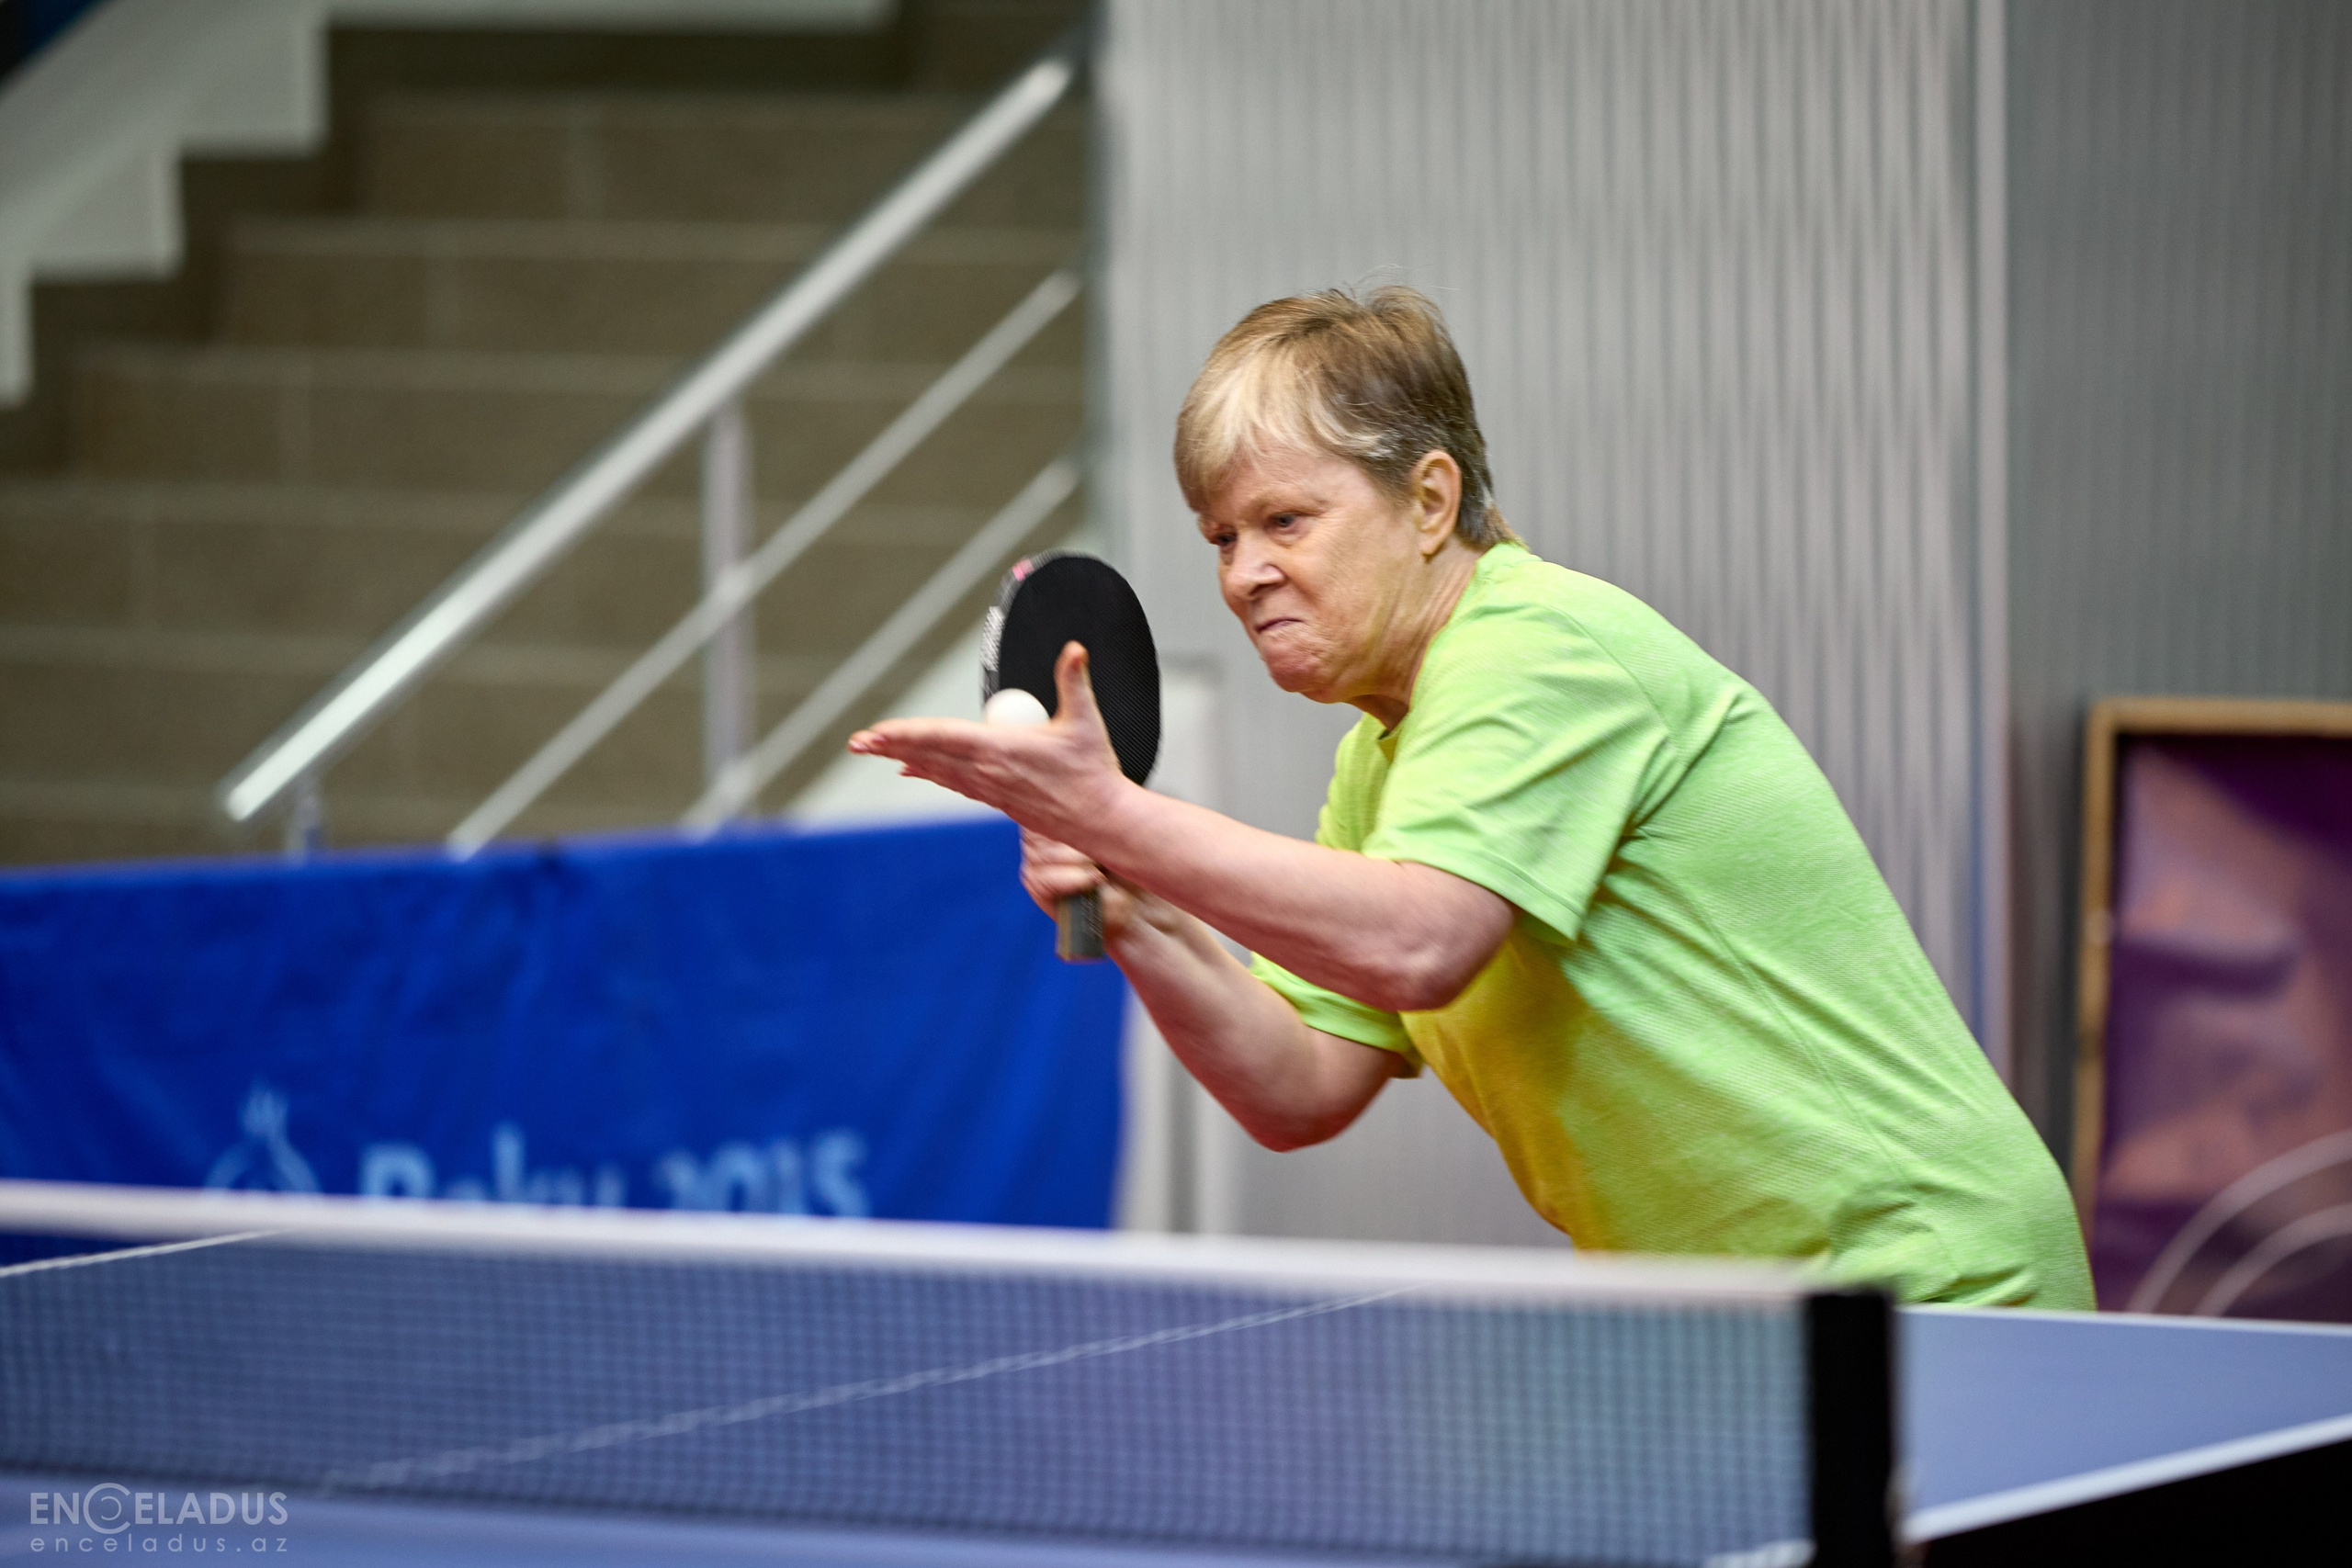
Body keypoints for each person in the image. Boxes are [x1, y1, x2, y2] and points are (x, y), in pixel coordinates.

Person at [850, 286, 2092, 1308]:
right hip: (1739, 1325)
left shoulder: (1535, 647)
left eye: (1286, 519)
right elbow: (1298, 1087)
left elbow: (1419, 939)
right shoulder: (1383, 756)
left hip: (1930, 1287)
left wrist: (1112, 818)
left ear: (1431, 501)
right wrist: (1134, 909)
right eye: (1221, 537)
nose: (1245, 574)